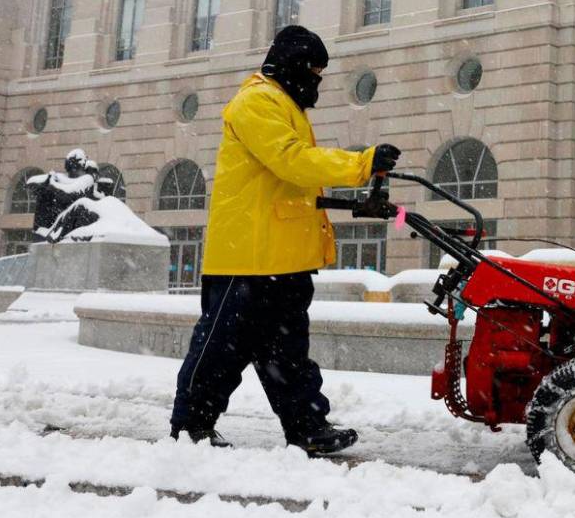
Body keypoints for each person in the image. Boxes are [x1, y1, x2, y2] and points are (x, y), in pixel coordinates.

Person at [169, 25, 401, 454]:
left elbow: (292, 185)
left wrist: (353, 194)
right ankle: (190, 428)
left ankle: (307, 427)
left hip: (283, 259)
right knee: (219, 351)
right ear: (292, 65)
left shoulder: (284, 105)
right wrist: (361, 163)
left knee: (288, 355)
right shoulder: (256, 101)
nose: (317, 81)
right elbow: (291, 162)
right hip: (246, 258)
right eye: (313, 71)